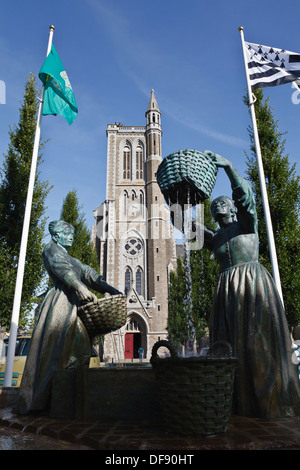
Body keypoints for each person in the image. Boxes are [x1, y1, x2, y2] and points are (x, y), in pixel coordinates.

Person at [203, 153, 300, 418]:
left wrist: (228, 167)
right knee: (227, 348)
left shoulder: (246, 224)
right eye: (213, 206)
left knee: (257, 346)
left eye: (221, 203)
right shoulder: (218, 237)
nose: (216, 206)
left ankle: (269, 406)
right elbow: (190, 229)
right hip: (226, 293)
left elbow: (246, 196)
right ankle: (234, 403)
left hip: (252, 286)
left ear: (233, 208)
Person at [16, 220, 121, 414]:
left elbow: (89, 275)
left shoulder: (72, 258)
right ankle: (48, 400)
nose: (71, 235)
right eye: (67, 232)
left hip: (74, 306)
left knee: (80, 350)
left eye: (71, 233)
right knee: (59, 350)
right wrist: (79, 286)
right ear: (56, 236)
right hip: (60, 305)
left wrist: (113, 291)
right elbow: (61, 269)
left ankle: (69, 399)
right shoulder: (51, 249)